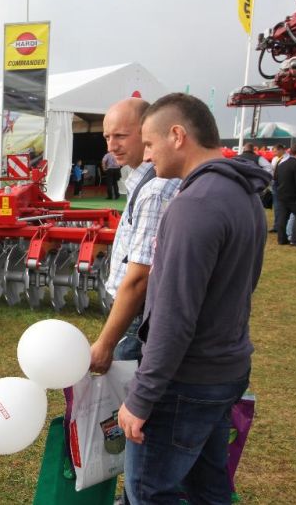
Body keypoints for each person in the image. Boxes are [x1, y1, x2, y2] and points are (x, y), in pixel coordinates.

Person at [118, 93, 269, 504]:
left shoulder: (193, 206)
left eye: (149, 144)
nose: (146, 157)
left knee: (150, 491)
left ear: (177, 135)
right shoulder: (244, 194)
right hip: (226, 369)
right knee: (208, 486)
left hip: (186, 381)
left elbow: (173, 316)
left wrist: (142, 397)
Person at [90, 98, 180, 374]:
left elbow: (140, 277)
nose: (111, 146)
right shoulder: (144, 181)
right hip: (132, 314)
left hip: (135, 317)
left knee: (127, 402)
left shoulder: (155, 189)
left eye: (120, 135)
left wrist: (106, 343)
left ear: (147, 132)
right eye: (107, 137)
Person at [269, 144, 288, 233]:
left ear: (281, 150)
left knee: (285, 206)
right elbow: (272, 171)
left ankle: (284, 226)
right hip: (275, 184)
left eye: (275, 151)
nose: (274, 153)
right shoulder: (274, 159)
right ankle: (277, 226)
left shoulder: (288, 159)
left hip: (284, 184)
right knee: (277, 206)